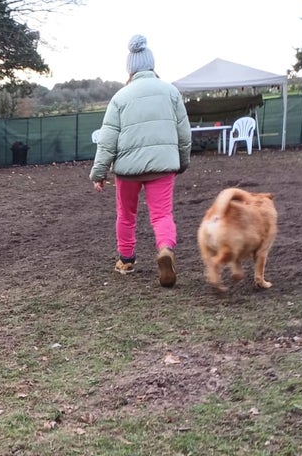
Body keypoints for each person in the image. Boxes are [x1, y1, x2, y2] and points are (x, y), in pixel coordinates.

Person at [90, 35, 192, 288]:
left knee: (126, 215)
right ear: (152, 65)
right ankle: (165, 249)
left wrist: (99, 173)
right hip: (163, 166)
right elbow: (184, 132)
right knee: (162, 214)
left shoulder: (120, 97)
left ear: (130, 68)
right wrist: (182, 161)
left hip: (127, 170)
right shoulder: (171, 92)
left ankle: (126, 260)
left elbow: (108, 138)